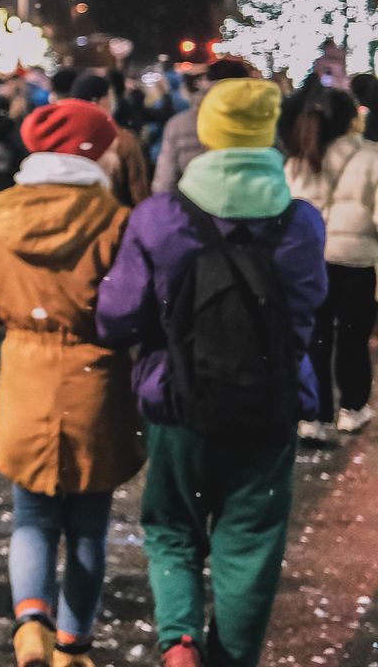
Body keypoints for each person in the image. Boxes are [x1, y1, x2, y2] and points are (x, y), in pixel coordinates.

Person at [97, 79, 326, 667]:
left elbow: (119, 316)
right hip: (270, 408)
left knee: (172, 525)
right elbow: (307, 313)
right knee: (250, 541)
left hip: (180, 403)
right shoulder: (301, 224)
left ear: (207, 133)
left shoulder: (160, 218)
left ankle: (178, 642)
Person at [0, 100, 144, 667]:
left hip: (26, 376)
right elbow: (125, 311)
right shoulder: (115, 219)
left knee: (32, 516)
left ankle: (30, 624)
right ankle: (73, 644)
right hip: (96, 379)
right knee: (89, 525)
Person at [280, 84, 378, 440]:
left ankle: (314, 416)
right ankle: (351, 409)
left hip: (310, 264)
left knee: (315, 339)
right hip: (356, 263)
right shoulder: (371, 157)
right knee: (353, 339)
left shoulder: (297, 159)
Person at [153, 58, 254, 195]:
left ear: (206, 82)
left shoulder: (179, 124)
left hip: (193, 207)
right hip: (250, 207)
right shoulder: (261, 120)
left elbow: (164, 184)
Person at [73, 73, 152, 209]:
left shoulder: (67, 138)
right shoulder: (122, 139)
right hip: (116, 219)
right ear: (99, 101)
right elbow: (138, 188)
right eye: (109, 96)